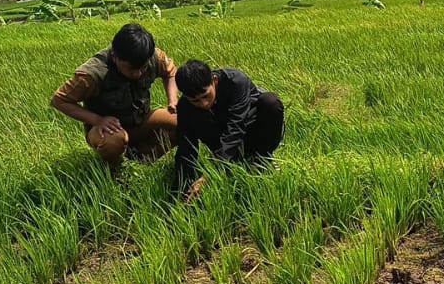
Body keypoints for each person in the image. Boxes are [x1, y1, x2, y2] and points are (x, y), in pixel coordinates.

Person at [50, 23, 180, 170]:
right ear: (115, 56)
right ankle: (115, 171)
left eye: (143, 68)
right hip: (107, 131)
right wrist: (97, 120)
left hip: (140, 121)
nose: (137, 74)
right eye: (131, 69)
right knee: (113, 141)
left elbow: (170, 72)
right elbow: (59, 100)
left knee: (183, 121)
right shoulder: (94, 73)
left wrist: (173, 100)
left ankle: (139, 162)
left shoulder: (152, 57)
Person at [172, 60, 285, 199]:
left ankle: (262, 158)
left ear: (214, 80)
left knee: (271, 102)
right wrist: (181, 190)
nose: (204, 104)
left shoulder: (236, 82)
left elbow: (236, 128)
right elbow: (186, 148)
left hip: (250, 131)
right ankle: (230, 162)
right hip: (220, 138)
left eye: (206, 96)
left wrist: (209, 175)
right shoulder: (185, 106)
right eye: (195, 101)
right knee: (191, 118)